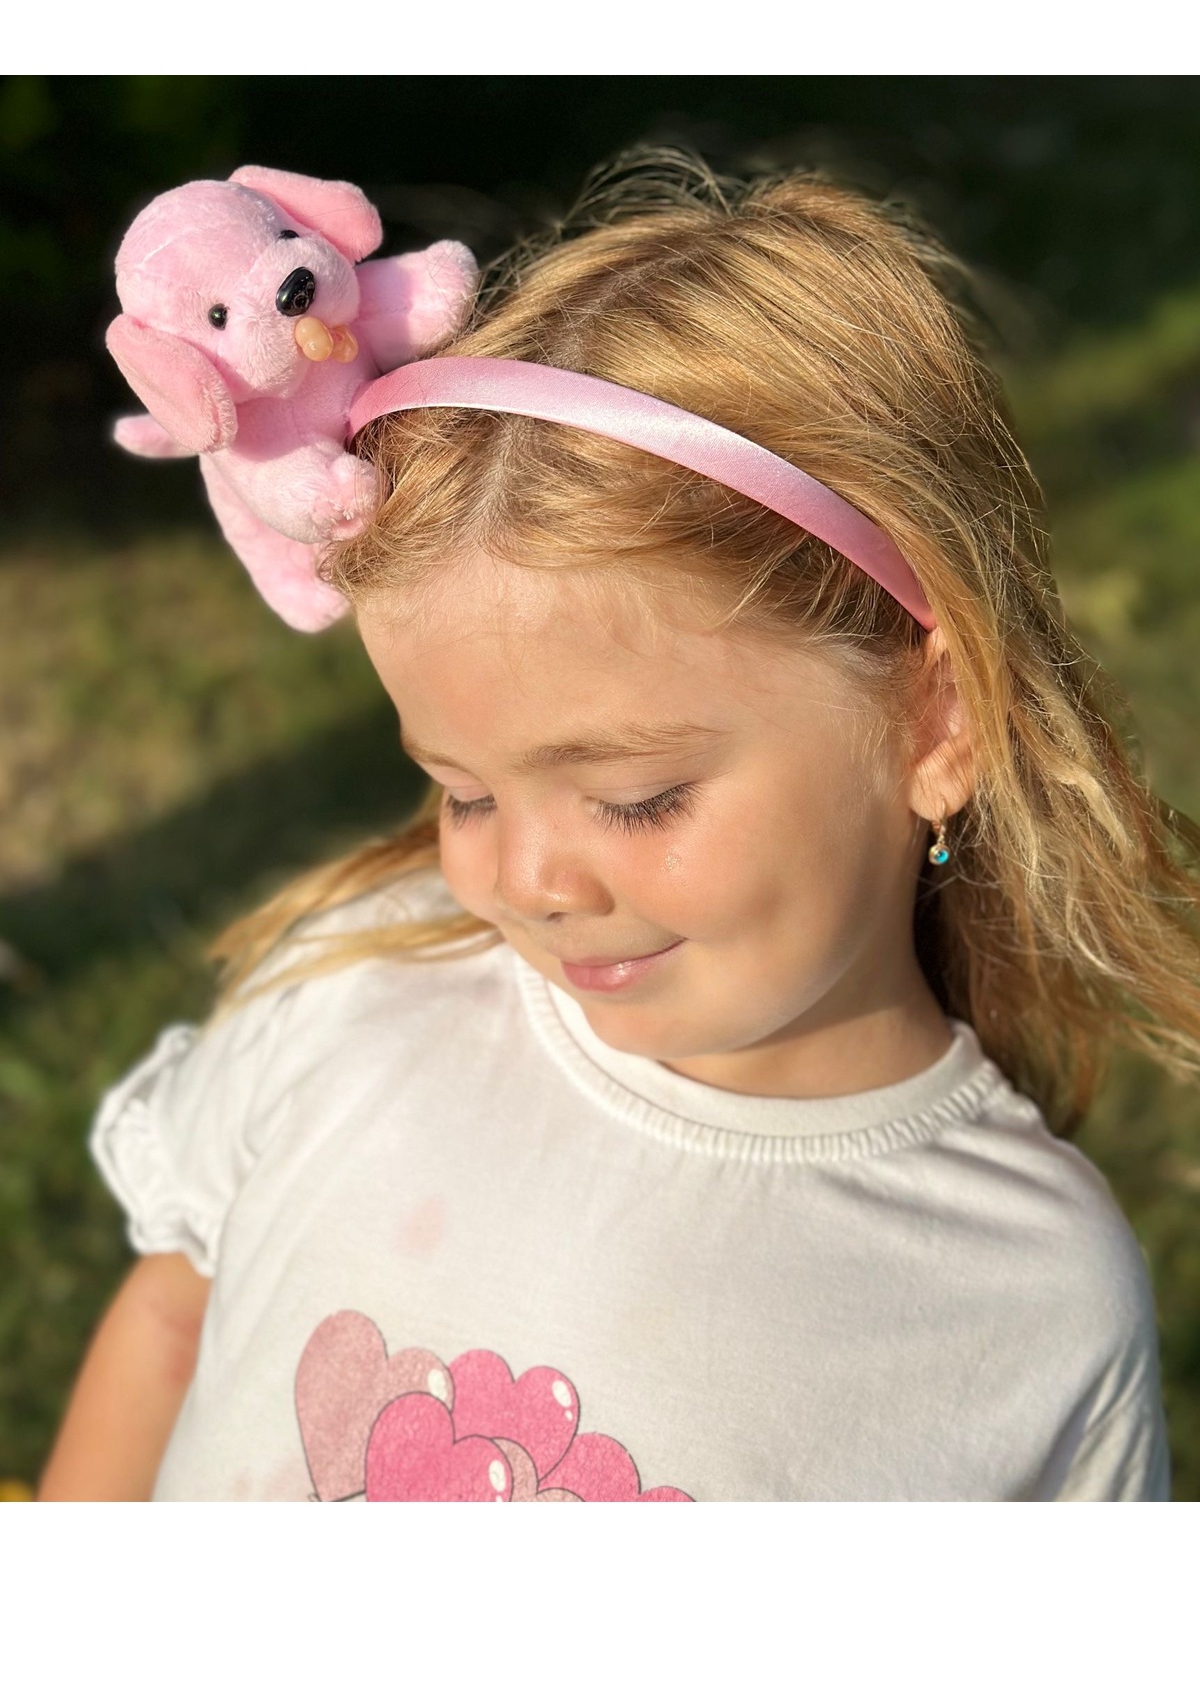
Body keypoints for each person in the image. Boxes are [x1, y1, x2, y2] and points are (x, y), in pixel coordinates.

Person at [39, 152, 1199, 1502]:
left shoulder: (1026, 1303)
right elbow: (174, 1320)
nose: (524, 878)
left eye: (638, 798)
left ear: (935, 721)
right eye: (465, 793)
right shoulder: (350, 1000)